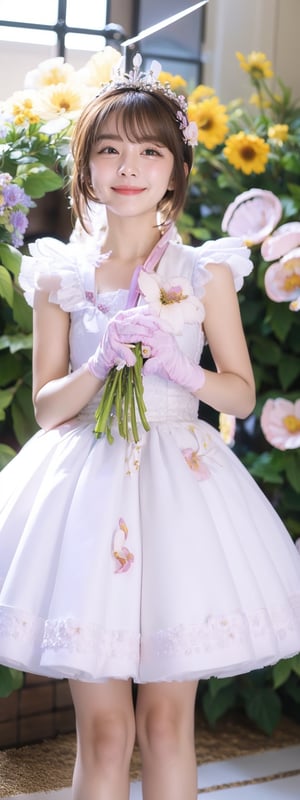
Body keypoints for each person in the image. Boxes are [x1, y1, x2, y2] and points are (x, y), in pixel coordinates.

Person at [0, 56, 300, 800]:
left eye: (149, 150)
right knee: (104, 732)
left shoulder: (206, 273)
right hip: (82, 492)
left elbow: (237, 395)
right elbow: (45, 408)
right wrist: (101, 361)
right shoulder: (58, 276)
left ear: (175, 169)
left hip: (182, 492)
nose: (127, 166)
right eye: (109, 149)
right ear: (86, 166)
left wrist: (181, 367)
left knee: (168, 724)